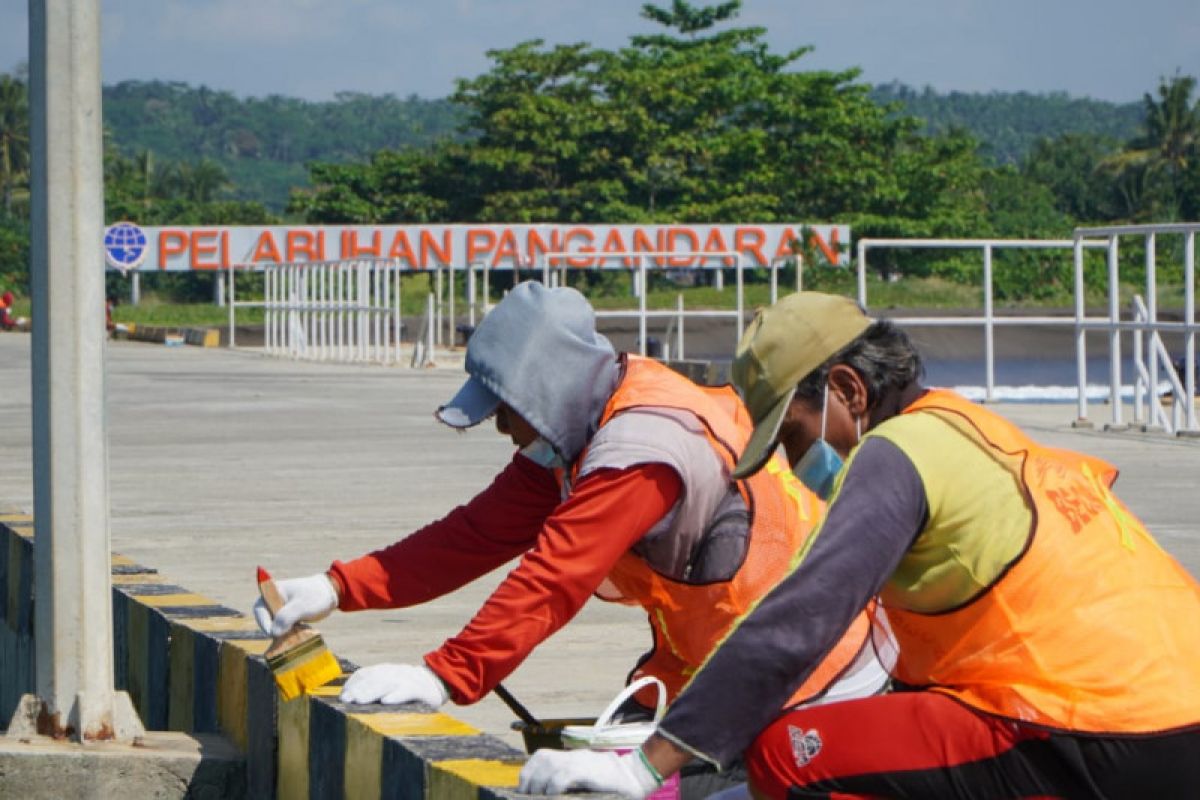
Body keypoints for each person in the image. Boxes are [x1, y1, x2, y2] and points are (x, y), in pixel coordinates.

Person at [520, 291, 1200, 799]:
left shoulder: (896, 452)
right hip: (1170, 719)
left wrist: (643, 768)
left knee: (789, 754)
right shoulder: (973, 427)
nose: (794, 464)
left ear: (848, 389)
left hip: (1102, 729)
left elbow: (795, 624)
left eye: (793, 437)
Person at [256, 283, 884, 790]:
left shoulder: (641, 451)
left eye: (505, 407)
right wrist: (337, 587)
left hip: (807, 670)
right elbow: (472, 535)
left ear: (546, 388)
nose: (500, 426)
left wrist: (448, 675)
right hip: (709, 663)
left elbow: (556, 578)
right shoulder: (582, 426)